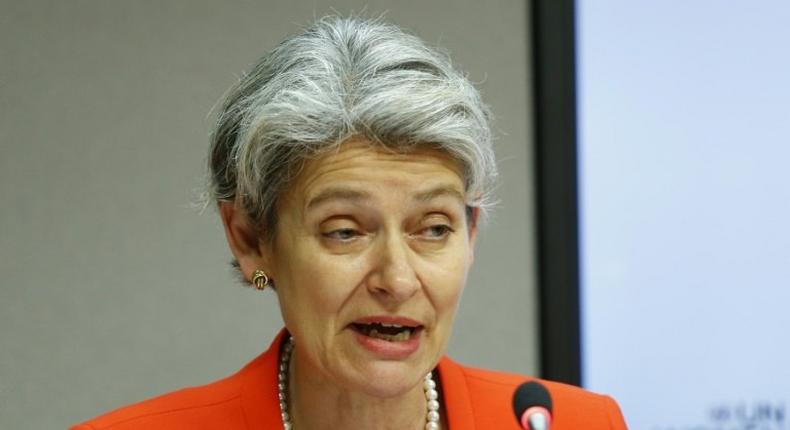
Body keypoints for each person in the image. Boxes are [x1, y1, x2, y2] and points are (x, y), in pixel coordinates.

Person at [71, 16, 627, 430]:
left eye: (433, 228)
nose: (397, 279)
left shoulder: (566, 423)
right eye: (345, 231)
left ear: (472, 232)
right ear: (250, 238)